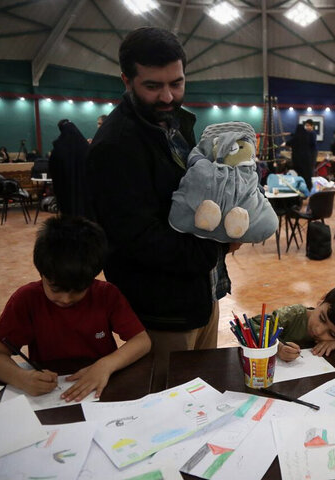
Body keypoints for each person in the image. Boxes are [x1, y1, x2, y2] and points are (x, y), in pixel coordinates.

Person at [87, 26, 233, 391]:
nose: (168, 96)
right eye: (153, 86)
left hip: (203, 293)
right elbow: (140, 239)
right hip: (162, 313)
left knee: (202, 397)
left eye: (177, 83)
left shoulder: (175, 124)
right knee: (169, 411)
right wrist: (216, 245)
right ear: (127, 80)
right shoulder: (115, 146)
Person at [0, 216, 151, 401]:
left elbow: (142, 341)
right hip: (49, 395)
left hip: (99, 390)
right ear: (42, 273)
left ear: (93, 277)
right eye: (56, 289)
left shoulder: (106, 295)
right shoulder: (26, 300)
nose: (65, 299)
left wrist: (106, 365)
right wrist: (22, 378)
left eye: (78, 290)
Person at [249, 279, 335, 362]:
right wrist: (277, 348)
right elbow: (251, 326)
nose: (319, 331)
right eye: (322, 318)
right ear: (322, 299)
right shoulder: (293, 316)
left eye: (332, 334)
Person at [50, 119, 90, 218]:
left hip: (66, 190)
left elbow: (54, 170)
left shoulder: (58, 148)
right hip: (85, 190)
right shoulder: (85, 146)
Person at [286, 119, 317, 189]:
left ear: (312, 126)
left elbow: (292, 140)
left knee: (303, 173)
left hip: (306, 157)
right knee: (307, 173)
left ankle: (301, 187)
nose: (307, 127)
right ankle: (307, 188)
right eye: (306, 126)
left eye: (308, 125)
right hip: (307, 157)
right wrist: (290, 134)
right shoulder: (306, 135)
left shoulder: (311, 134)